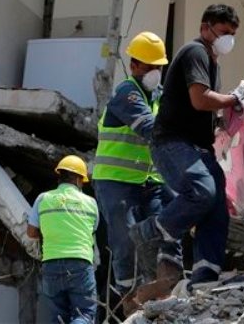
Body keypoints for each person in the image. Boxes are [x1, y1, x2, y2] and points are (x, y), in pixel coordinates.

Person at [129, 4, 244, 285]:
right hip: (173, 143)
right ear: (205, 28)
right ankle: (153, 229)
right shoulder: (195, 52)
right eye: (223, 32)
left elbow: (201, 108)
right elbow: (200, 99)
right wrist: (233, 98)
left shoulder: (212, 62)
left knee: (217, 206)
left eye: (232, 34)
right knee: (202, 191)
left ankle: (206, 272)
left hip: (198, 147)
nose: (227, 39)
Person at [92, 31, 182, 305]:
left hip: (149, 181)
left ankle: (166, 283)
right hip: (116, 181)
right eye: (149, 65)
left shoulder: (160, 95)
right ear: (134, 66)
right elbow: (149, 128)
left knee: (167, 224)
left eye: (158, 66)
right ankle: (128, 293)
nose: (155, 71)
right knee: (125, 239)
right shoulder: (126, 93)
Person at [27, 155, 98, 324]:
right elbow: (91, 230)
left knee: (56, 317)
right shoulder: (90, 203)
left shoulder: (43, 199)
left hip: (51, 264)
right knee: (84, 314)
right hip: (80, 263)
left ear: (59, 176)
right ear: (80, 179)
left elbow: (31, 233)